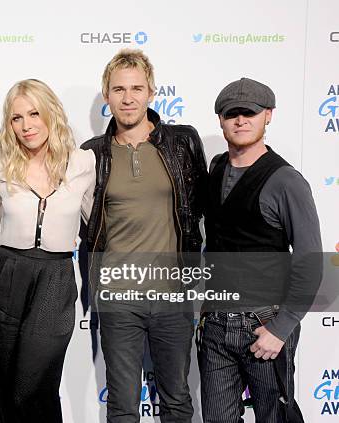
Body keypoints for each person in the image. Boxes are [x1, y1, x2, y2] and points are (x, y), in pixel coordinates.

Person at [81, 49, 207, 422]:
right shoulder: (94, 154)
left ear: (151, 91)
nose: (128, 97)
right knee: (122, 407)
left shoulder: (182, 142)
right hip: (119, 298)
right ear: (107, 95)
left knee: (177, 401)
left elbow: (204, 210)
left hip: (172, 295)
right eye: (119, 89)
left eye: (137, 88)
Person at [199, 77, 322, 423]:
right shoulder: (217, 167)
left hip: (264, 324)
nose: (240, 120)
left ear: (268, 115)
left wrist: (280, 329)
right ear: (220, 120)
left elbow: (310, 263)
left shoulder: (286, 181)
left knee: (275, 417)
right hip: (216, 325)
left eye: (249, 113)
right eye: (231, 113)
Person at [0, 79, 95, 423]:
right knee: (4, 389)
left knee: (33, 386)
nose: (26, 125)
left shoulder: (82, 163)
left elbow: (99, 226)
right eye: (16, 118)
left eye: (34, 114)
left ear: (51, 114)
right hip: (5, 276)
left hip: (56, 279)